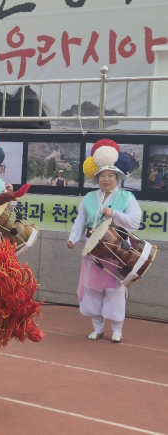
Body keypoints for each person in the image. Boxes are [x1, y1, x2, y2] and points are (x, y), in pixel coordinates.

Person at [66, 139, 139, 343]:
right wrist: (73, 239)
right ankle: (97, 328)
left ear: (118, 177)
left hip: (117, 250)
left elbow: (135, 221)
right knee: (91, 289)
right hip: (93, 250)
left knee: (114, 290)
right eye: (102, 175)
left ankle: (116, 330)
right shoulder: (89, 197)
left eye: (111, 175)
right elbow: (80, 221)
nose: (106, 179)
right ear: (97, 178)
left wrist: (114, 213)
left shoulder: (127, 197)